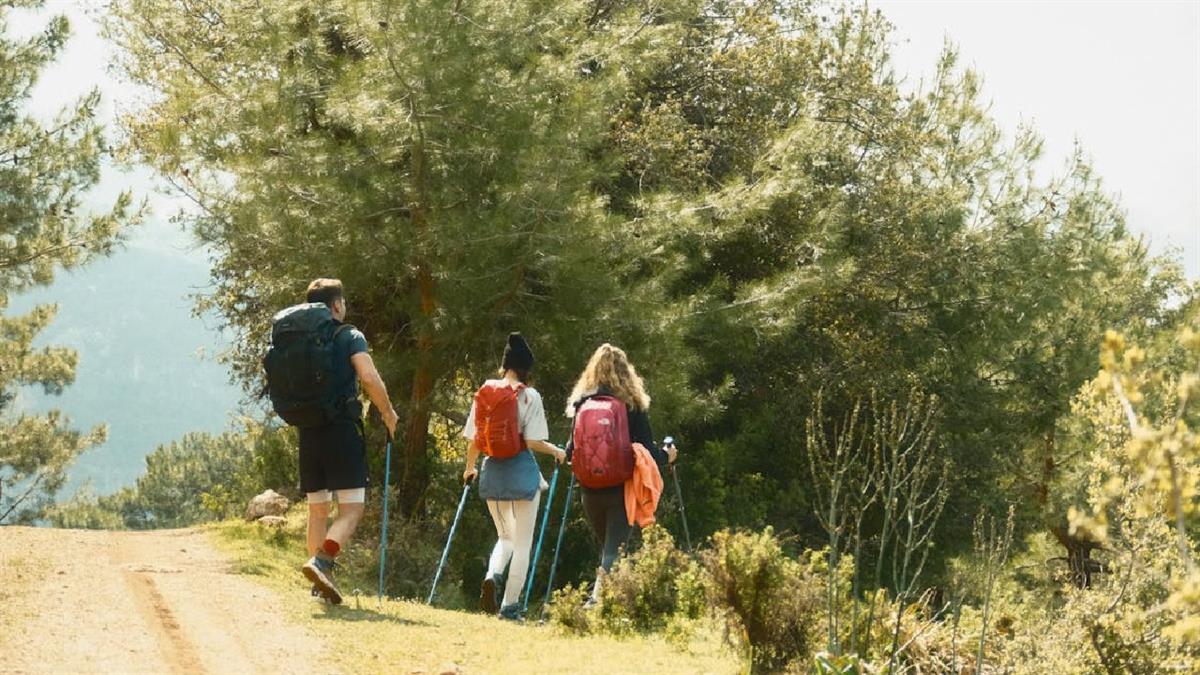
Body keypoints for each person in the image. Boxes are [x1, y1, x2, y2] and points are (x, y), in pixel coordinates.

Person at [294, 279, 398, 604]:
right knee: (352, 509)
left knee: (318, 509)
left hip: (308, 432)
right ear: (337, 305)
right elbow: (368, 376)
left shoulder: (299, 340)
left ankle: (318, 586)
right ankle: (321, 562)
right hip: (341, 431)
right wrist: (388, 412)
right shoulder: (350, 335)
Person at [462, 333, 566, 620]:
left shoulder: (485, 392)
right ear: (527, 369)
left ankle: (493, 574)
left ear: (504, 365)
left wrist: (469, 468)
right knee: (522, 544)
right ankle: (509, 607)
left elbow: (473, 439)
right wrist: (557, 451)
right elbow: (533, 442)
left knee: (504, 537)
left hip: (492, 472)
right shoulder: (529, 396)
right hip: (522, 474)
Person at [564, 343, 678, 605]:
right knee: (614, 551)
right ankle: (597, 604)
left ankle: (615, 603)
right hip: (622, 489)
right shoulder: (632, 405)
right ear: (627, 372)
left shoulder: (583, 404)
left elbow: (572, 451)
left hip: (589, 490)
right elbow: (648, 453)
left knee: (610, 549)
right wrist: (668, 455)